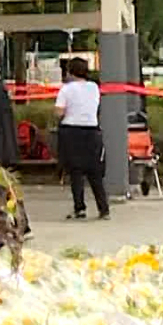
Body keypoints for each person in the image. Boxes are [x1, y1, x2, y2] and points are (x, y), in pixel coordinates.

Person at [54, 56, 109, 220]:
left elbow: (59, 111)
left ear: (70, 72)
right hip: (92, 131)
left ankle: (80, 208)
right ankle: (103, 208)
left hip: (71, 131)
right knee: (94, 173)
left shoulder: (66, 89)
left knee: (75, 171)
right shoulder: (94, 87)